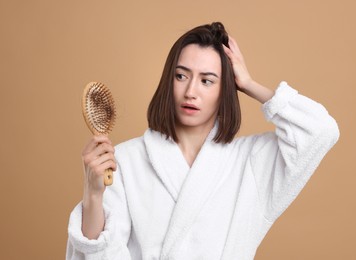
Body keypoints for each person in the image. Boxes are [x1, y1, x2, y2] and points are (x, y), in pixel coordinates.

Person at [66, 22, 339, 260]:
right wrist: (93, 195)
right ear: (168, 80)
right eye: (181, 76)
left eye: (207, 81)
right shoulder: (124, 160)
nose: (190, 91)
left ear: (226, 89)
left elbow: (320, 131)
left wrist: (248, 83)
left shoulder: (251, 163)